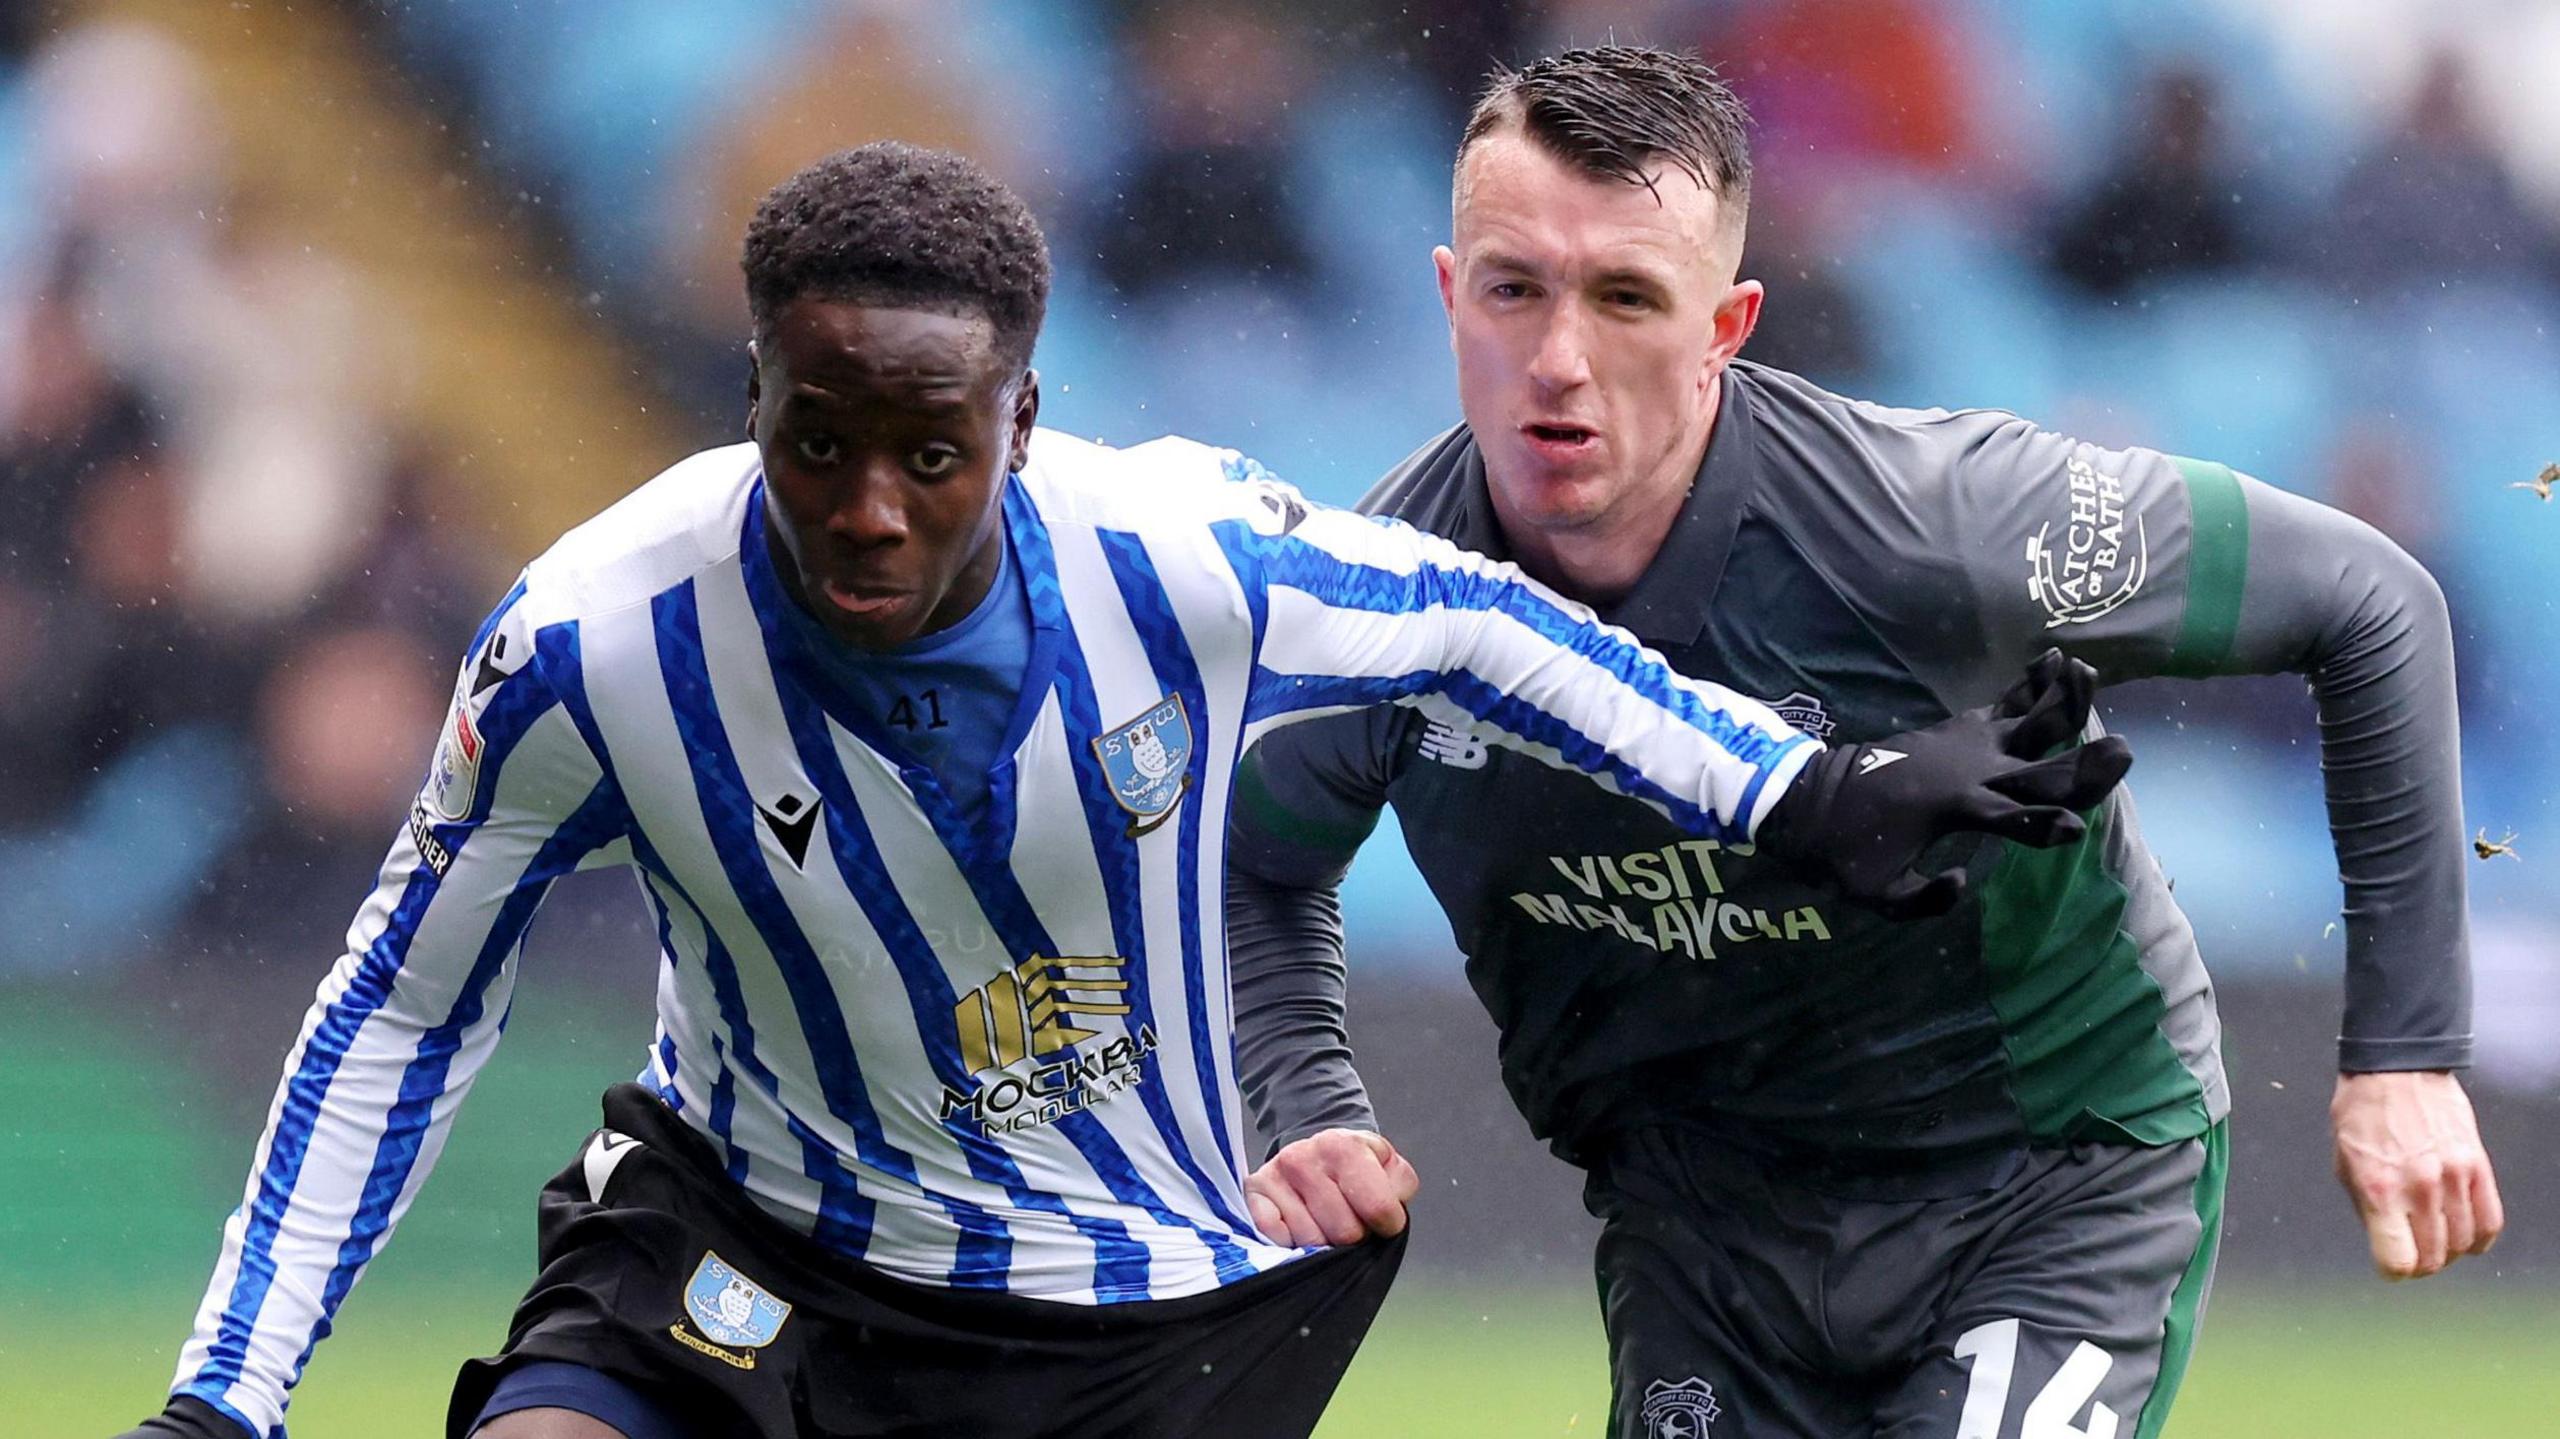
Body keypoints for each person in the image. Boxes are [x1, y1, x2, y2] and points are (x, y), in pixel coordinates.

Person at [117, 142, 2116, 1439]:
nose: (869, 513)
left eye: (929, 451)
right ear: (753, 408)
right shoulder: (592, 648)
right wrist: (227, 1398)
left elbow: (1474, 630)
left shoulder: (1178, 561)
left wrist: (1804, 795)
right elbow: (402, 1003)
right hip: (748, 1246)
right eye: (817, 446)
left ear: (1022, 424)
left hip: (1128, 1328)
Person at [1228, 46, 2505, 1439]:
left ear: (1728, 325)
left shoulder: (1932, 522)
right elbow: (1258, 865)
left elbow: (2371, 601)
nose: (1559, 360)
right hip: (1700, 1229)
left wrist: (2406, 1058)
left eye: (1627, 299)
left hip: (2042, 1179)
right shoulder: (1373, 607)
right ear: (1444, 294)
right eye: (1513, 288)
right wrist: (1305, 1101)